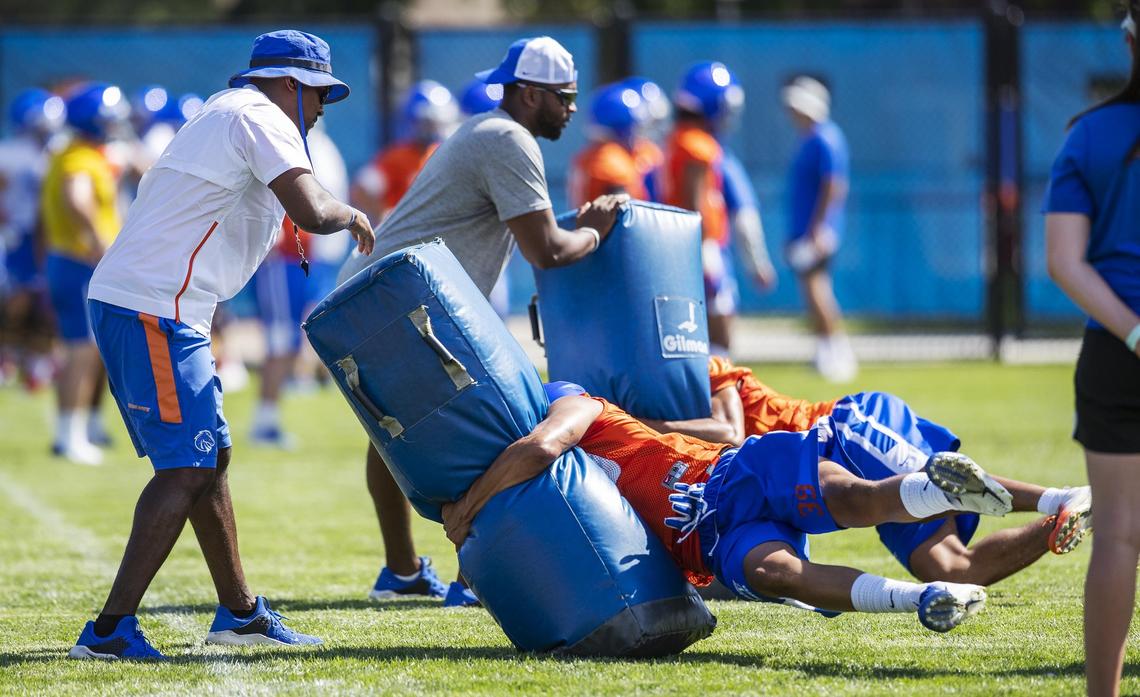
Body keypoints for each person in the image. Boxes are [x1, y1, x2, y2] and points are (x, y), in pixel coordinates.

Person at [70, 29, 374, 660]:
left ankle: (238, 611)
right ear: (291, 84)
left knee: (211, 459)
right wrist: (355, 215)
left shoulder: (228, 109)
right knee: (186, 467)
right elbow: (314, 211)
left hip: (159, 303)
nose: (321, 109)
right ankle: (108, 631)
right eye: (320, 94)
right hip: (155, 306)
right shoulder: (263, 114)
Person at [337, 36, 626, 608]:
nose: (572, 107)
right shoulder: (508, 139)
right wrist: (597, 230)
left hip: (370, 299)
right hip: (395, 302)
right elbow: (547, 249)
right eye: (563, 96)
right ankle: (474, 578)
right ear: (529, 94)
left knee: (392, 437)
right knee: (500, 425)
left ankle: (401, 571)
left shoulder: (487, 131)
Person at [441, 381, 1056, 633]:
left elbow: (543, 441)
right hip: (708, 540)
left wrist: (468, 505)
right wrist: (473, 557)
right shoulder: (555, 490)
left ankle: (940, 488)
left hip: (729, 478)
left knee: (853, 497)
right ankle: (924, 600)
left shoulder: (578, 408)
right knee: (779, 574)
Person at [634, 356, 1093, 586]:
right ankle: (1061, 521)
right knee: (950, 569)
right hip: (825, 466)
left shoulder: (702, 365)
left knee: (949, 487)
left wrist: (634, 424)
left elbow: (730, 431)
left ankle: (1062, 496)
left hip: (843, 428)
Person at [1044, 6, 1140, 695]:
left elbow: (1064, 262)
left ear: (1130, 39)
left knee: (1117, 536)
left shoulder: (1089, 135)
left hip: (1114, 355)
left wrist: (1135, 333)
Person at [41, 82, 129, 465]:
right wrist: (99, 244)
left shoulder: (79, 152)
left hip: (72, 261)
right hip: (78, 262)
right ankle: (70, 434)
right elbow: (77, 199)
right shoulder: (77, 157)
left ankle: (74, 431)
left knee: (84, 348)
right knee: (82, 349)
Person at [663, 61, 744, 355]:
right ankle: (723, 382)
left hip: (683, 242)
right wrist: (704, 244)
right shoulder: (697, 143)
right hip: (700, 242)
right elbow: (695, 201)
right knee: (719, 316)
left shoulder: (678, 138)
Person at [783, 76, 856, 382]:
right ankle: (825, 349)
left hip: (816, 231)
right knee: (812, 289)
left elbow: (834, 185)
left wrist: (818, 227)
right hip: (806, 229)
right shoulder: (812, 138)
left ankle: (836, 352)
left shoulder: (826, 138)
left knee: (817, 289)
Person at [0, 88, 64, 391]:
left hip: (52, 235)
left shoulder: (59, 150)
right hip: (19, 235)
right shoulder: (11, 153)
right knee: (19, 299)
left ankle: (38, 362)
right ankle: (9, 356)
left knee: (47, 300)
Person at [350, 80, 457, 227]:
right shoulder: (398, 157)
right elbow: (361, 190)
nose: (435, 128)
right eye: (429, 123)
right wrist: (385, 216)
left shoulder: (444, 152)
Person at [568, 81, 650, 207]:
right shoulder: (612, 161)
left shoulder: (590, 155)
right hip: (601, 226)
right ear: (623, 126)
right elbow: (623, 218)